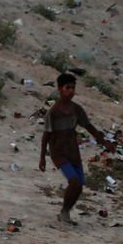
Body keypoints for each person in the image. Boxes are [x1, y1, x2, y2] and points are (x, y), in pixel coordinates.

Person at [40, 72, 112, 225]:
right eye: (68, 88)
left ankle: (65, 210)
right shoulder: (53, 112)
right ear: (60, 89)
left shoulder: (76, 109)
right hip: (58, 152)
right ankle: (64, 212)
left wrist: (104, 142)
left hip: (73, 151)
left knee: (79, 187)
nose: (71, 91)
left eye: (73, 88)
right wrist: (42, 158)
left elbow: (88, 127)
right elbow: (46, 135)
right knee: (74, 182)